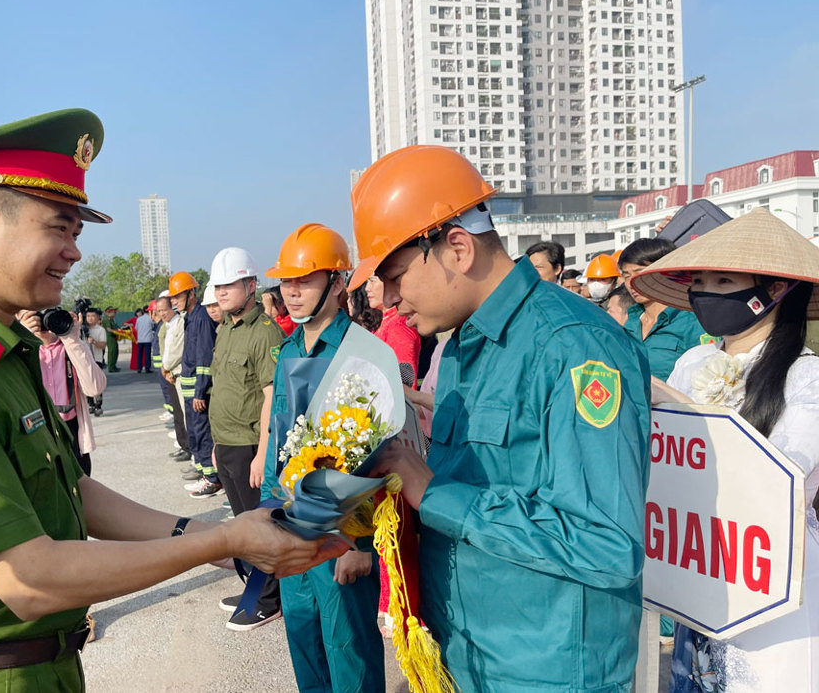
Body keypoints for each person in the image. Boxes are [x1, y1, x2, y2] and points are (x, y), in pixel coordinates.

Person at [0, 109, 340, 692]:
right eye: (59, 229)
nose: (74, 253)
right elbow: (25, 578)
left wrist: (205, 539)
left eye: (76, 234)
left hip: (45, 668)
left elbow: (73, 491)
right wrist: (226, 538)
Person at [348, 144, 652, 691]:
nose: (388, 299)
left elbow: (608, 544)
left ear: (457, 248)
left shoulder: (576, 347)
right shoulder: (463, 346)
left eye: (394, 275)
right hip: (468, 654)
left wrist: (431, 491)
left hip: (546, 671)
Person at [629, 208, 819, 693]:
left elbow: (783, 478)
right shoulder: (695, 360)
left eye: (725, 279)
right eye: (700, 280)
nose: (706, 293)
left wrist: (687, 410)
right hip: (697, 561)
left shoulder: (806, 378)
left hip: (774, 572)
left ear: (774, 290)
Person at [262, 223, 385, 693]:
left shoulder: (363, 353)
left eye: (304, 280)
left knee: (348, 651)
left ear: (338, 283)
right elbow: (281, 439)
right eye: (285, 281)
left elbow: (376, 457)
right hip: (293, 527)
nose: (291, 292)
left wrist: (359, 544)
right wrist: (269, 516)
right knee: (305, 644)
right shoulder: (289, 349)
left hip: (340, 535)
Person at [209, 246, 284, 630]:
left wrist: (262, 453)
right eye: (218, 285)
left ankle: (268, 599)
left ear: (251, 285)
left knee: (260, 526)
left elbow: (271, 396)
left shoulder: (264, 333)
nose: (221, 292)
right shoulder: (224, 328)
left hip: (249, 447)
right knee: (242, 526)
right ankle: (251, 590)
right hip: (226, 443)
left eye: (230, 285)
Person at [18, 308, 106, 476]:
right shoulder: (20, 349)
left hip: (70, 430)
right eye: (34, 315)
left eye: (46, 314)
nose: (42, 321)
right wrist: (21, 337)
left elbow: (95, 388)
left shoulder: (70, 346)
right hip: (35, 431)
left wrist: (72, 340)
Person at [618, 237, 707, 382]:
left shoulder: (692, 322)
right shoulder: (631, 322)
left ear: (666, 272)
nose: (632, 283)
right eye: (626, 276)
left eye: (639, 273)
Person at [173, 266, 221, 497]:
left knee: (203, 433)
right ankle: (206, 475)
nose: (175, 301)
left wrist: (201, 392)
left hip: (198, 390)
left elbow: (204, 358)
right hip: (191, 387)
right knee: (195, 431)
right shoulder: (190, 317)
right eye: (173, 297)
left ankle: (213, 479)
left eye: (178, 296)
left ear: (192, 294)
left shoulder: (201, 318)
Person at [156, 290, 192, 464]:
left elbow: (177, 351)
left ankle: (188, 448)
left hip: (176, 372)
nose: (161, 314)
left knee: (184, 414)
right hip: (169, 373)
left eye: (164, 310)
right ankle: (183, 445)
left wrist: (166, 368)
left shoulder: (180, 323)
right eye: (159, 311)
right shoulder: (167, 325)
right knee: (177, 413)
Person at [364, 275, 420, 385]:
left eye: (372, 281)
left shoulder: (398, 327)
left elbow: (404, 386)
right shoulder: (388, 321)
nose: (367, 288)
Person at [84, 308, 107, 416]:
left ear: (98, 317)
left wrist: (93, 342)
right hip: (84, 360)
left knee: (97, 383)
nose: (90, 318)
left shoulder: (100, 330)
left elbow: (103, 345)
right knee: (86, 382)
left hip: (97, 359)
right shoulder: (82, 330)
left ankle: (98, 404)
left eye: (93, 316)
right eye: (88, 316)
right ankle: (90, 404)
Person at [134, 305, 154, 373]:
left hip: (140, 339)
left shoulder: (139, 319)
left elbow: (136, 328)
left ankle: (139, 368)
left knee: (140, 354)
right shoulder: (150, 319)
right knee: (147, 354)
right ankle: (147, 368)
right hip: (148, 339)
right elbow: (152, 326)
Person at [101, 306, 120, 372]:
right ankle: (111, 367)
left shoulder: (111, 320)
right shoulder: (107, 319)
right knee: (112, 352)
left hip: (113, 337)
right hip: (109, 337)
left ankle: (114, 366)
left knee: (115, 351)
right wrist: (116, 332)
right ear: (110, 313)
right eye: (114, 313)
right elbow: (109, 329)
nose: (115, 314)